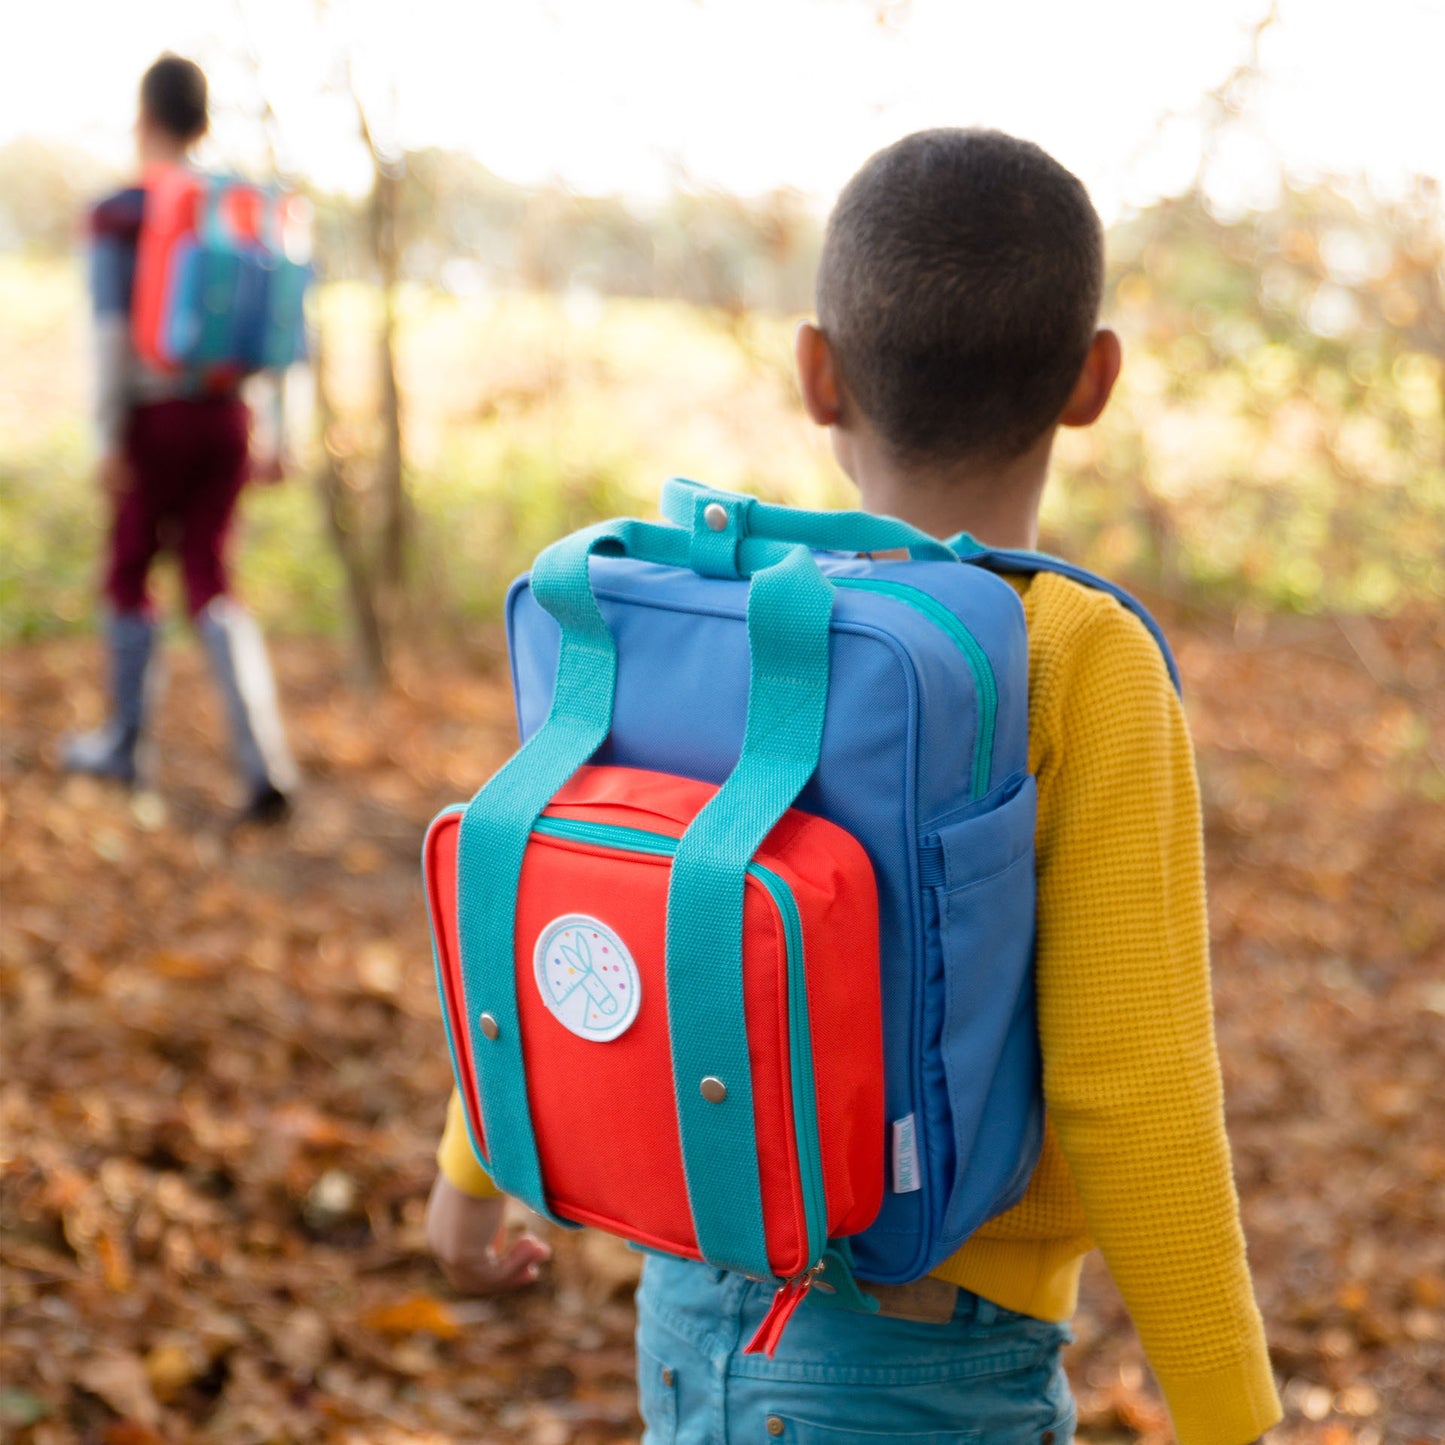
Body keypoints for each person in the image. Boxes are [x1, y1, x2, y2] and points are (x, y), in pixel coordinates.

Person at [427, 129, 1282, 1444]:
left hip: (689, 1295)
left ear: (817, 373)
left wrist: (469, 1179)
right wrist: (1232, 1414)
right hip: (932, 1360)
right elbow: (1131, 1081)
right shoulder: (1076, 657)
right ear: (1091, 380)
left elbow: (585, 914)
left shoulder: (725, 611)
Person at [63, 53, 297, 824]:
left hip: (153, 418)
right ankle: (263, 763)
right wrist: (280, 431)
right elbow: (283, 327)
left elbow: (108, 336)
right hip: (229, 416)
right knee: (211, 574)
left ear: (144, 116)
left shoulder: (121, 210)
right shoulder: (241, 208)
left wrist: (106, 439)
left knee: (131, 570)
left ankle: (123, 746)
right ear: (202, 119)